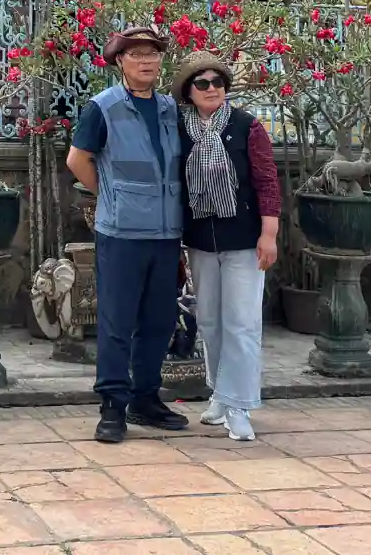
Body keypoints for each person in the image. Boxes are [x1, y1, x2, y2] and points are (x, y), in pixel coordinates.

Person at [65, 26, 189, 443]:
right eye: (136, 54)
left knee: (159, 320)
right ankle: (112, 406)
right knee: (117, 321)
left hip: (166, 231)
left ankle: (145, 398)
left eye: (152, 54)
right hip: (121, 232)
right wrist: (110, 194)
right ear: (120, 61)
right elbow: (77, 159)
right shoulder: (103, 107)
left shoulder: (172, 108)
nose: (146, 61)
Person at [174, 51, 280, 442]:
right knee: (211, 322)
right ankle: (219, 393)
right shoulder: (179, 129)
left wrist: (269, 233)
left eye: (218, 82)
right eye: (202, 82)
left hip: (244, 240)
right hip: (201, 239)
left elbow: (267, 181)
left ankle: (239, 405)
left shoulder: (245, 126)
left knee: (242, 323)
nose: (212, 88)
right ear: (188, 90)